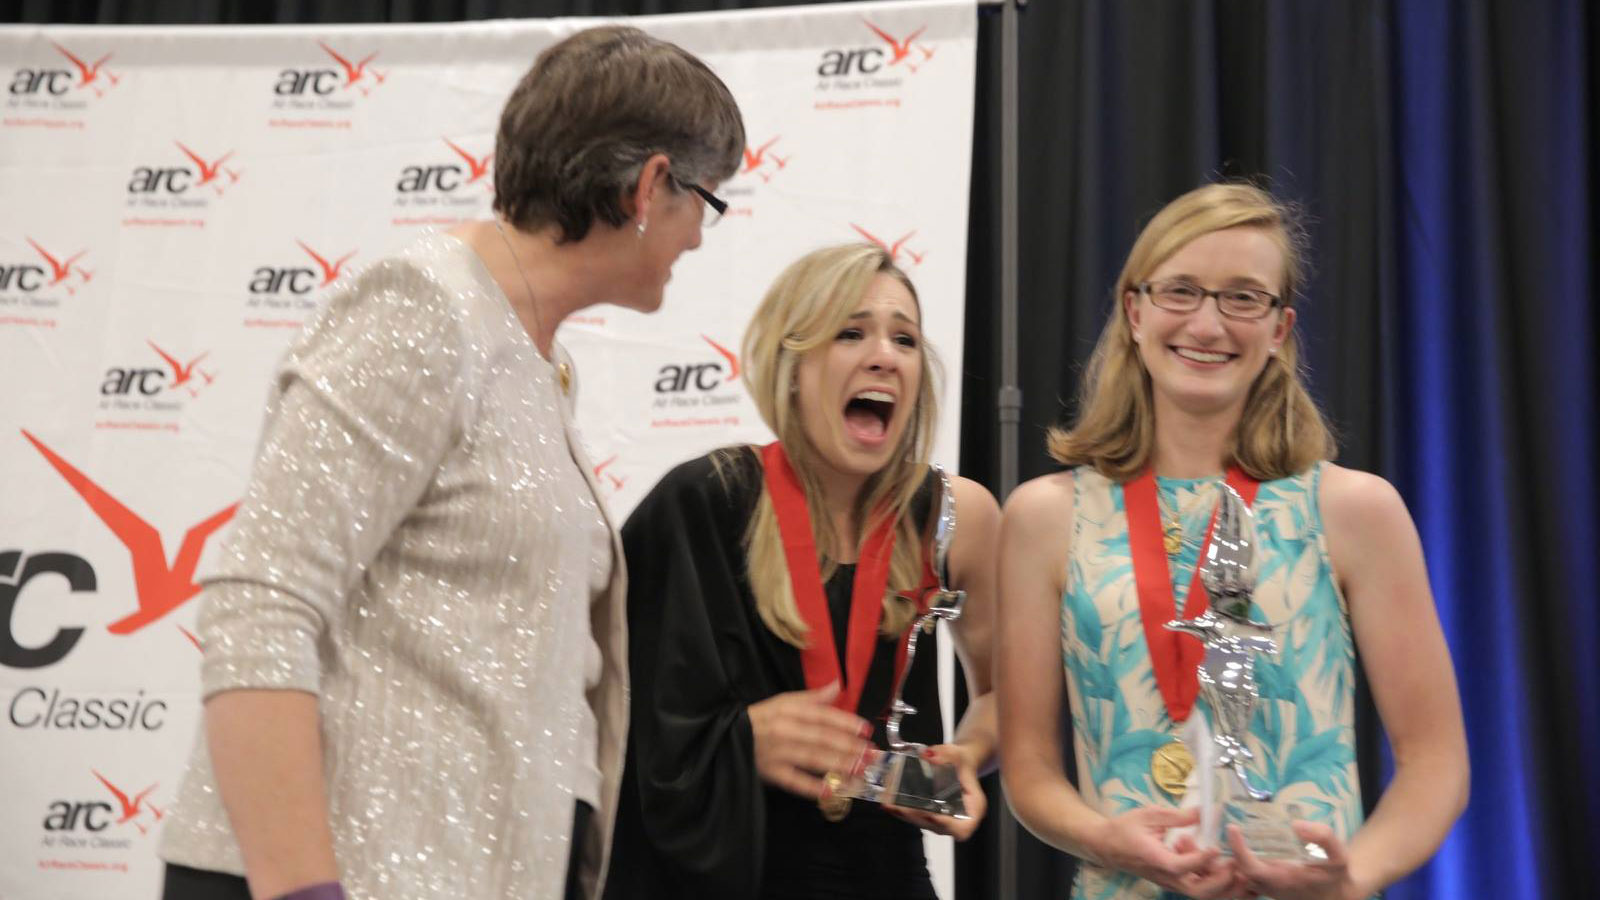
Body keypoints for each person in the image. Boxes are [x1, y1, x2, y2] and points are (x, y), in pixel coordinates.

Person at [157, 26, 744, 900]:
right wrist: (304, 890)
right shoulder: (426, 308)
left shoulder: (534, 359)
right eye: (708, 199)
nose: (700, 236)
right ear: (651, 186)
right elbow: (262, 603)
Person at [996, 183, 1470, 900]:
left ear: (1279, 330)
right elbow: (1028, 768)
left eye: (1243, 297)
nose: (1209, 324)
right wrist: (1104, 838)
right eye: (1180, 291)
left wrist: (1350, 880)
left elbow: (1437, 763)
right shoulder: (1043, 517)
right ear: (1135, 311)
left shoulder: (1355, 510)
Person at [604, 243, 1001, 899]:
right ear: (793, 365)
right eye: (851, 332)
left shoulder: (955, 516)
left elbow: (1004, 694)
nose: (884, 355)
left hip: (888, 877)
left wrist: (966, 754)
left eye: (904, 338)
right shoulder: (703, 502)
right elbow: (609, 717)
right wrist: (739, 743)